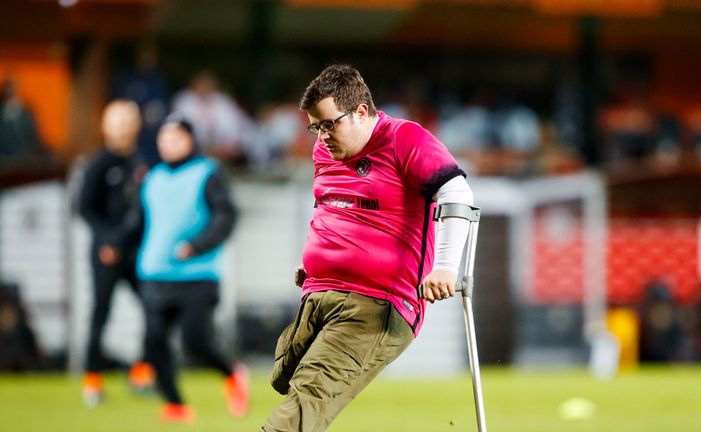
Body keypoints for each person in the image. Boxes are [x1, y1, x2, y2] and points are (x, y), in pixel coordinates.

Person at [262, 64, 474, 432]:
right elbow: (332, 205)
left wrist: (444, 267)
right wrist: (315, 259)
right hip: (318, 291)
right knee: (284, 377)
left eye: (330, 124)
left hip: (376, 303)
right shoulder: (325, 149)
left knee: (308, 396)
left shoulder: (406, 139)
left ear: (361, 111)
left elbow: (456, 193)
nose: (322, 135)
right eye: (316, 126)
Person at [113, 113, 249, 423]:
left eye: (175, 138)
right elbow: (138, 221)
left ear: (189, 140)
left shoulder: (208, 173)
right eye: (163, 138)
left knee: (195, 341)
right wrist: (115, 244)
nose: (168, 144)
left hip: (197, 274)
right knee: (154, 341)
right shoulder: (152, 177)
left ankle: (231, 374)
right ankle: (175, 404)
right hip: (154, 272)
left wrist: (197, 246)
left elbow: (225, 217)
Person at [77, 99, 154, 407]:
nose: (123, 128)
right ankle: (92, 379)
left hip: (136, 252)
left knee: (154, 311)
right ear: (105, 127)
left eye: (128, 122)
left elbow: (145, 210)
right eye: (117, 122)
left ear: (136, 126)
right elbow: (85, 208)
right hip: (105, 253)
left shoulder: (141, 163)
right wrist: (107, 241)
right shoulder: (97, 164)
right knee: (101, 313)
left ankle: (142, 372)